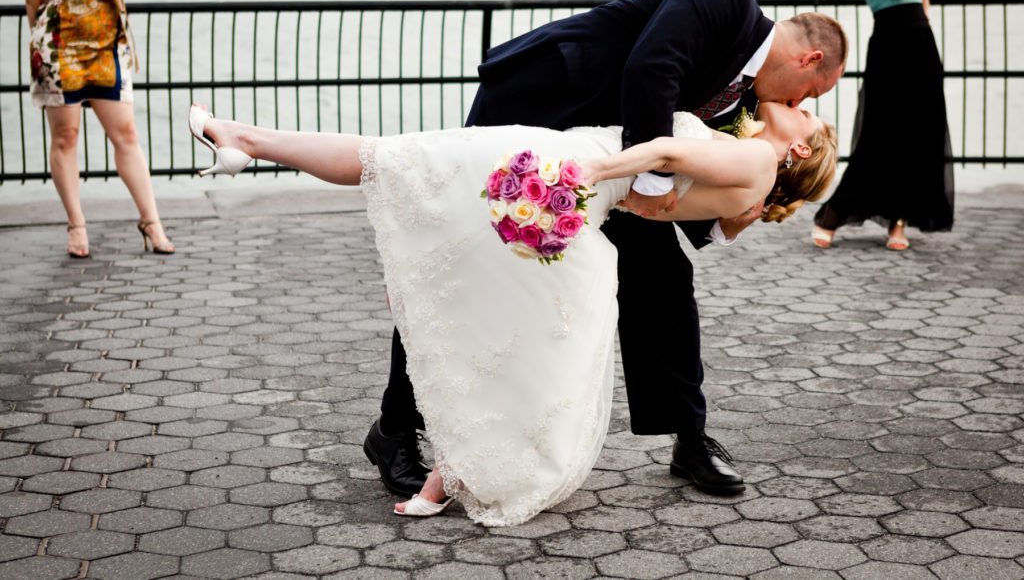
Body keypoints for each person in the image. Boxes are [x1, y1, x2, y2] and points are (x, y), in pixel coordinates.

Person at [188, 100, 838, 524]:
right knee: (508, 319)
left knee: (392, 160)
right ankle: (446, 470)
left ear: (800, 151)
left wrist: (589, 172)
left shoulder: (755, 155)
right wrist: (604, 186)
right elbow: (663, 207)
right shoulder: (750, 192)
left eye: (810, 119)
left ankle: (243, 138)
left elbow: (664, 157)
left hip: (564, 165)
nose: (802, 109)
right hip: (579, 192)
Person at [362, 0, 848, 500]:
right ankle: (394, 430)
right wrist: (653, 178)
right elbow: (652, 66)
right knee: (461, 265)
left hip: (609, 171)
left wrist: (726, 217)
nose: (801, 103)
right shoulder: (726, 0)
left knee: (664, 280)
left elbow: (691, 167)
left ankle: (690, 440)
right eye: (812, 95)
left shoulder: (745, 106)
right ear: (810, 60)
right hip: (538, 107)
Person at [25, 0, 183, 257]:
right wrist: (47, 50)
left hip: (107, 51)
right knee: (66, 137)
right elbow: (32, 3)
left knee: (126, 134)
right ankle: (77, 226)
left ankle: (152, 222)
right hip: (61, 52)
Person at [812, 0, 953, 251]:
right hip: (890, 46)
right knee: (881, 130)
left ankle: (899, 223)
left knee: (918, 133)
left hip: (921, 45)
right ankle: (833, 213)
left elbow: (922, 0)